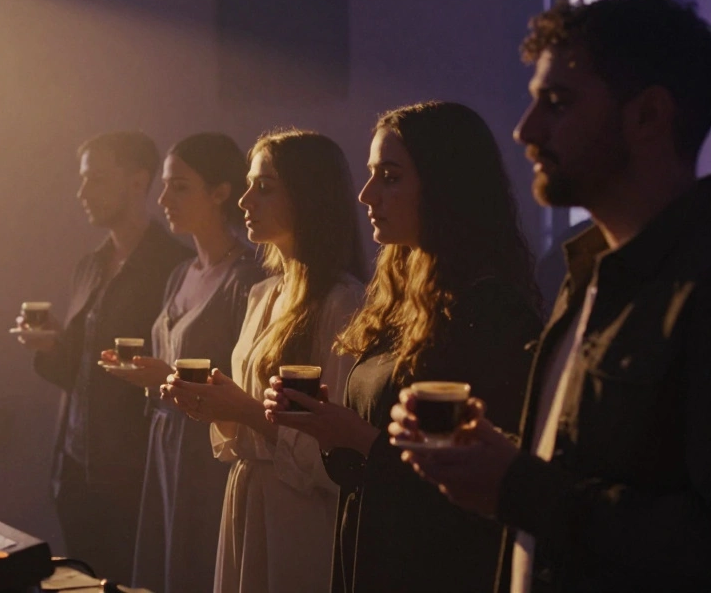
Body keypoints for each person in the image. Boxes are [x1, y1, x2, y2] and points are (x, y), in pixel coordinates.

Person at [393, 0, 711, 592]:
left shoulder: (698, 284)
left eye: (557, 104)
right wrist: (496, 456)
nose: (525, 130)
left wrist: (516, 485)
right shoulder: (586, 271)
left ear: (648, 116)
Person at [265, 102, 542, 593]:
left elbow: (470, 486)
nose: (367, 194)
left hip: (431, 568)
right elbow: (366, 459)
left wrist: (359, 438)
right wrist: (329, 428)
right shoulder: (401, 301)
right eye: (371, 174)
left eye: (389, 177)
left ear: (444, 188)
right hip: (373, 546)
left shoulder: (488, 310)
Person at [161, 129, 367, 593]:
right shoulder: (263, 294)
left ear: (308, 195)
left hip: (298, 514)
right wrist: (214, 405)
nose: (245, 200)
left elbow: (336, 450)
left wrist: (243, 411)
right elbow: (246, 423)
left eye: (265, 187)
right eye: (249, 184)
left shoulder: (342, 302)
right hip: (250, 498)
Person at [15, 131, 191, 583]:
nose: (82, 193)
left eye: (95, 179)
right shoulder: (90, 265)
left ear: (138, 182)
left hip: (135, 475)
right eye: (82, 179)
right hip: (76, 472)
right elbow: (81, 373)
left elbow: (171, 373)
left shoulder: (174, 266)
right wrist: (53, 344)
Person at [98, 133, 263, 593]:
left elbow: (245, 381)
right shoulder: (180, 274)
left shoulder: (246, 279)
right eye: (164, 186)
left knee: (200, 564)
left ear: (220, 192)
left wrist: (165, 376)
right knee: (164, 564)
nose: (164, 198)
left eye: (180, 187)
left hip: (208, 451)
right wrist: (149, 375)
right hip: (166, 442)